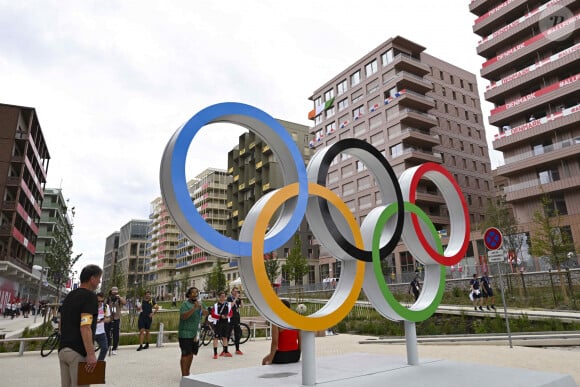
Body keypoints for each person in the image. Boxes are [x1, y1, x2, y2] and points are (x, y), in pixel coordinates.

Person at [58, 264, 102, 387]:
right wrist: (91, 354)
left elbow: (61, 324)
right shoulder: (90, 297)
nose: (99, 281)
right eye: (99, 278)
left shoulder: (69, 296)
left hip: (63, 350)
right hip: (78, 352)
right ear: (92, 278)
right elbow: (85, 326)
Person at [178, 287, 208, 377]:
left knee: (191, 354)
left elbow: (206, 313)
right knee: (185, 354)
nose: (195, 294)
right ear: (189, 295)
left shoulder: (200, 303)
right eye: (193, 293)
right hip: (185, 334)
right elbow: (184, 317)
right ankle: (184, 375)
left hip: (196, 334)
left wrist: (201, 308)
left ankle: (188, 373)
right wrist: (194, 308)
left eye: (196, 293)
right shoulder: (185, 304)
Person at [262, 299, 301, 365]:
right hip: (295, 355)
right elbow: (300, 340)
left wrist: (270, 360)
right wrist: (298, 353)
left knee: (264, 360)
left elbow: (275, 342)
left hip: (282, 355)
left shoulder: (276, 322)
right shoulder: (296, 321)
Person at [210, 290, 233, 359]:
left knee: (225, 337)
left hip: (226, 322)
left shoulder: (228, 304)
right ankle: (215, 353)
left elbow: (231, 313)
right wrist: (220, 316)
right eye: (221, 296)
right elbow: (213, 315)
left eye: (224, 296)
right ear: (219, 297)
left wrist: (227, 316)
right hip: (218, 323)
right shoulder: (216, 305)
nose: (223, 297)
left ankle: (225, 352)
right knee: (216, 337)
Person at [105, 286, 126, 355]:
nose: (114, 293)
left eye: (115, 291)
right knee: (107, 332)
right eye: (113, 291)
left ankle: (114, 348)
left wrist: (119, 297)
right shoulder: (108, 298)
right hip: (109, 318)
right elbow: (104, 306)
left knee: (116, 333)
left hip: (116, 318)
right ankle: (108, 346)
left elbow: (124, 302)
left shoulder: (119, 298)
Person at [227, 286, 244, 355]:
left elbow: (242, 306)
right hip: (231, 318)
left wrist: (241, 298)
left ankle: (237, 349)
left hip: (237, 318)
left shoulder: (238, 298)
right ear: (232, 292)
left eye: (237, 291)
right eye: (235, 291)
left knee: (238, 333)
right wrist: (236, 298)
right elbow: (230, 306)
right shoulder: (229, 298)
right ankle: (225, 350)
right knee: (228, 333)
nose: (237, 292)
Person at [94, 292, 110, 361]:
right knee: (89, 351)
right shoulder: (91, 306)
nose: (100, 303)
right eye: (98, 301)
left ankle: (99, 363)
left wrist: (102, 320)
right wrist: (94, 321)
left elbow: (108, 319)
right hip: (92, 331)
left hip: (101, 332)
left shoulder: (105, 307)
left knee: (105, 348)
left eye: (102, 301)